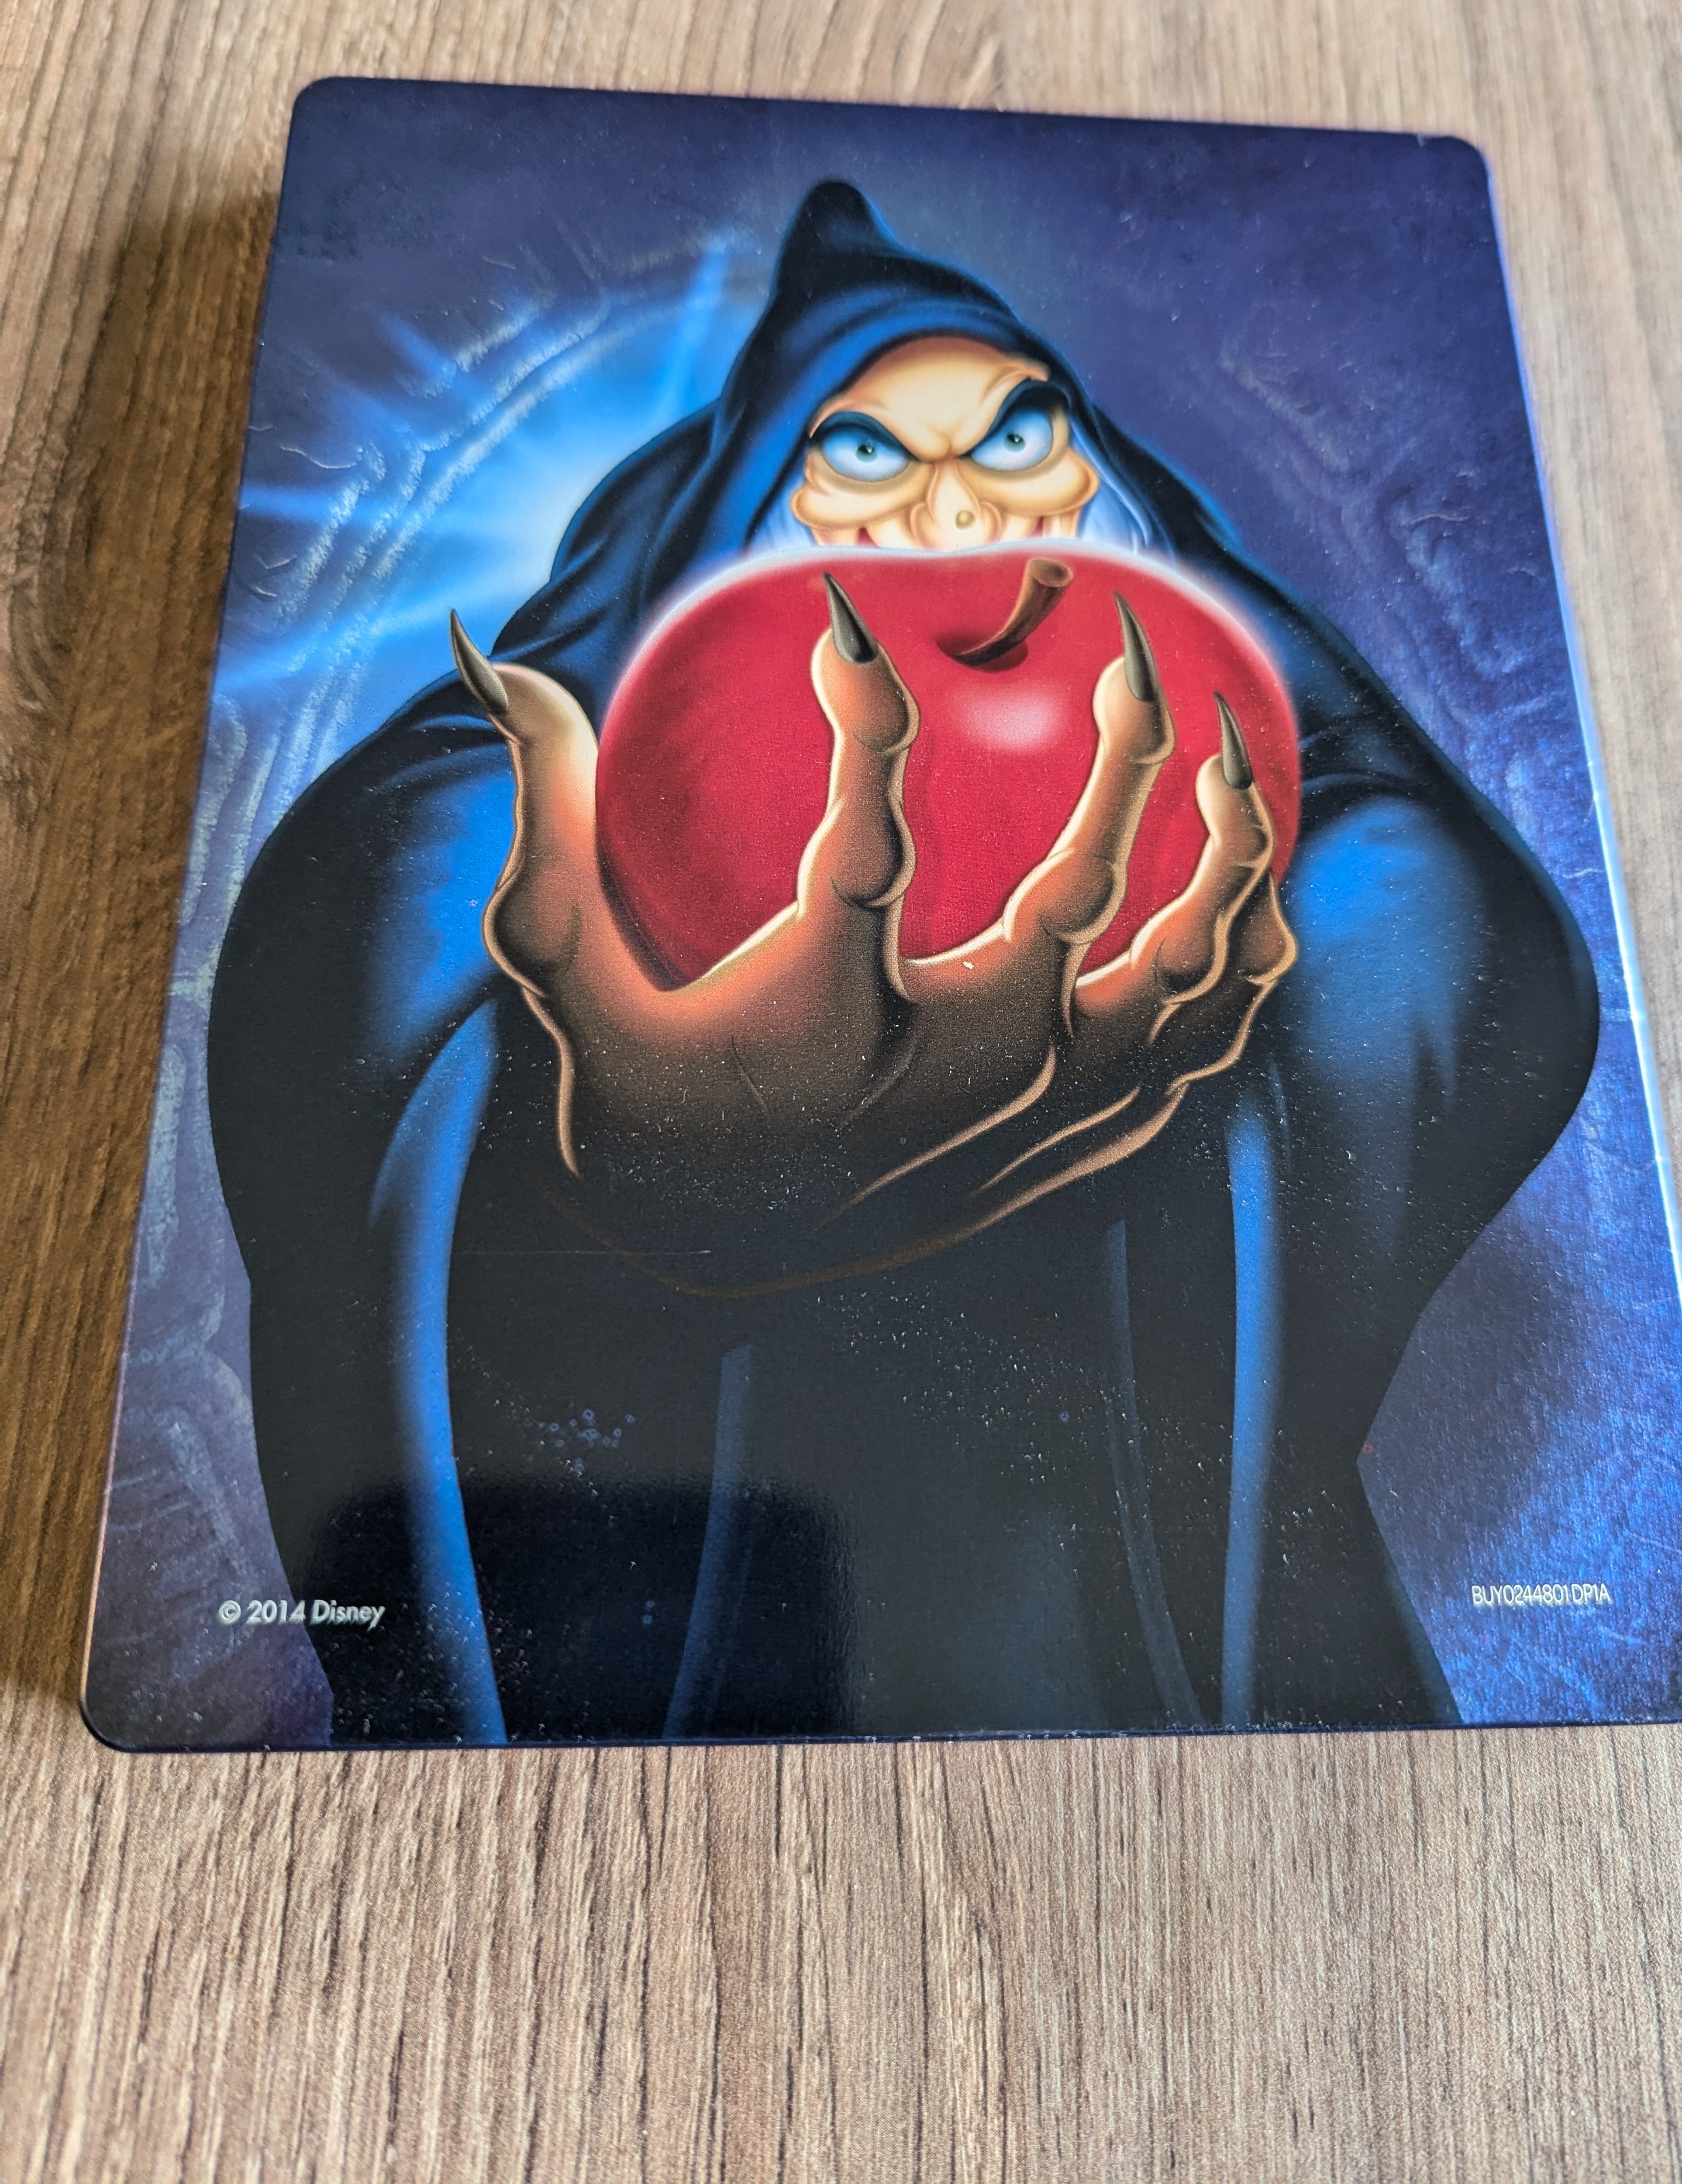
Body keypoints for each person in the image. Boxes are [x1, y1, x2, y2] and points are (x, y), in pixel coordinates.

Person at [209, 182, 1598, 1744]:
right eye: (866, 456)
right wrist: (604, 1140)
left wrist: (1306, 971)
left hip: (1108, 1555)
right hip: (705, 1602)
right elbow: (380, 909)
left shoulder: (1217, 688)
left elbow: (1431, 890)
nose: (956, 517)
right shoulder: (590, 718)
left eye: (1016, 437)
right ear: (750, 491)